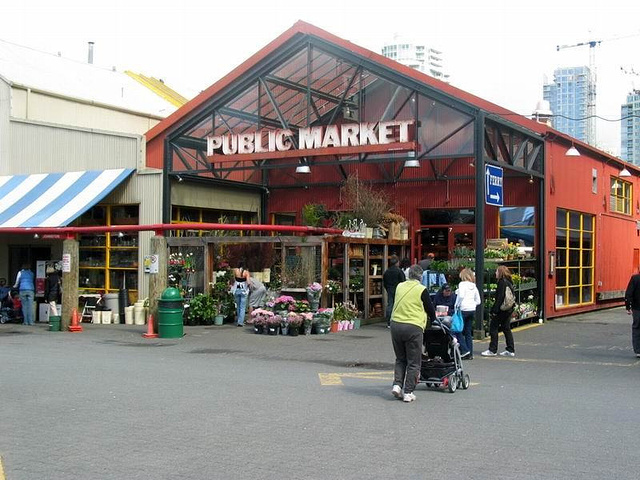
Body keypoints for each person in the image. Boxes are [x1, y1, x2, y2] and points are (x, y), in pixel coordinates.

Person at [390, 264, 436, 403]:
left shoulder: (400, 286)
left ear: (408, 274)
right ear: (421, 277)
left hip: (396, 324)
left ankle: (397, 385)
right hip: (413, 326)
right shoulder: (421, 289)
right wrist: (433, 319)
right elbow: (430, 309)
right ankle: (408, 392)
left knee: (400, 358)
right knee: (414, 362)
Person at [482, 265, 516, 357]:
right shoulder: (509, 282)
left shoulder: (501, 283)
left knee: (493, 328)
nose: (495, 273)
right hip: (508, 308)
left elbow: (500, 298)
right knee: (506, 328)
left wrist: (494, 311)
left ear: (500, 273)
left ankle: (492, 349)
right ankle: (510, 349)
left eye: (497, 271)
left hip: (502, 309)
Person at [454, 268, 481, 359]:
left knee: (457, 330)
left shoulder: (462, 284)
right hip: (472, 309)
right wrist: (472, 304)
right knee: (468, 332)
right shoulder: (474, 286)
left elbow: (461, 296)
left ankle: (465, 350)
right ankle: (470, 354)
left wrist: (457, 305)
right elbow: (478, 301)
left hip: (463, 309)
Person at [383, 255, 405, 328]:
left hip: (389, 289)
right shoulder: (399, 271)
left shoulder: (387, 271)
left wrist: (388, 288)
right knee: (398, 305)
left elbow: (384, 282)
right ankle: (398, 321)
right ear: (397, 262)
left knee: (390, 305)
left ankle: (389, 322)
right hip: (398, 289)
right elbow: (403, 281)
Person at [624, 272, 640, 358]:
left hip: (637, 308)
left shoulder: (635, 278)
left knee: (636, 328)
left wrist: (628, 306)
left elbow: (629, 293)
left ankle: (638, 350)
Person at [232, 262, 250, 327]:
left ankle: (238, 320)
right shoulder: (246, 272)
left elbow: (233, 279)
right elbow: (248, 282)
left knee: (238, 306)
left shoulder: (235, 270)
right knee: (242, 307)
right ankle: (240, 322)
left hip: (236, 289)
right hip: (244, 290)